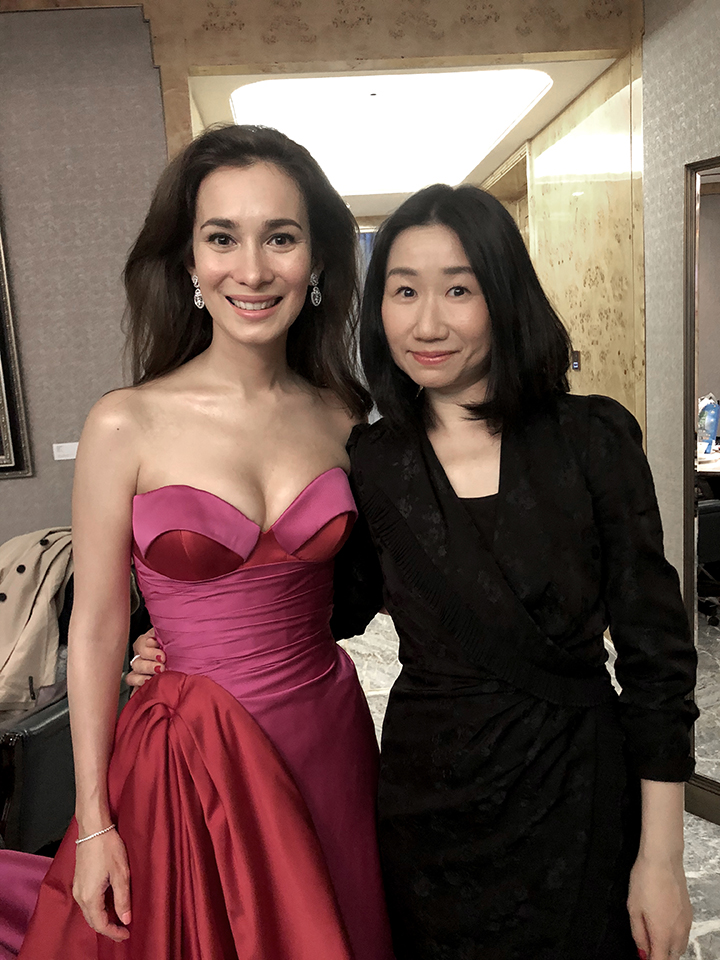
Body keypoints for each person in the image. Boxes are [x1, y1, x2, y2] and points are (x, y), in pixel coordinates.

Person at [129, 182, 698, 960]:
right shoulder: (374, 459)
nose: (428, 323)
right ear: (378, 309)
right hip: (429, 806)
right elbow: (332, 608)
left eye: (458, 289)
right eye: (403, 291)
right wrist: (192, 640)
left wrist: (661, 859)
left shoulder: (593, 439)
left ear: (505, 296)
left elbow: (657, 662)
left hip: (577, 789)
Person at [6, 124, 393, 960]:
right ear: (187, 262)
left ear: (317, 262)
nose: (251, 270)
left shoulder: (343, 417)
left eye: (280, 238)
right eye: (222, 238)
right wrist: (93, 822)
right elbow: (96, 627)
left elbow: (385, 578)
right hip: (188, 761)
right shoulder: (126, 422)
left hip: (325, 735)